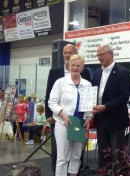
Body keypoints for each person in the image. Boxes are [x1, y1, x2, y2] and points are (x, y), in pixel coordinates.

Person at [45, 44, 91, 173]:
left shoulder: (87, 84)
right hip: (63, 124)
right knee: (62, 158)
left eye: (78, 66)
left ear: (82, 67)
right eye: (73, 65)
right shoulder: (60, 82)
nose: (75, 68)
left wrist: (89, 117)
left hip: (79, 124)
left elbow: (89, 105)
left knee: (76, 157)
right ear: (69, 66)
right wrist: (63, 115)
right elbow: (52, 102)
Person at [92, 45, 130, 170]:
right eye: (98, 55)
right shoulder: (97, 72)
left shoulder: (123, 72)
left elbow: (123, 97)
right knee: (102, 154)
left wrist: (106, 107)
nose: (99, 57)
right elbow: (93, 93)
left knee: (116, 154)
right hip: (100, 119)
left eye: (102, 54)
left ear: (111, 54)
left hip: (116, 120)